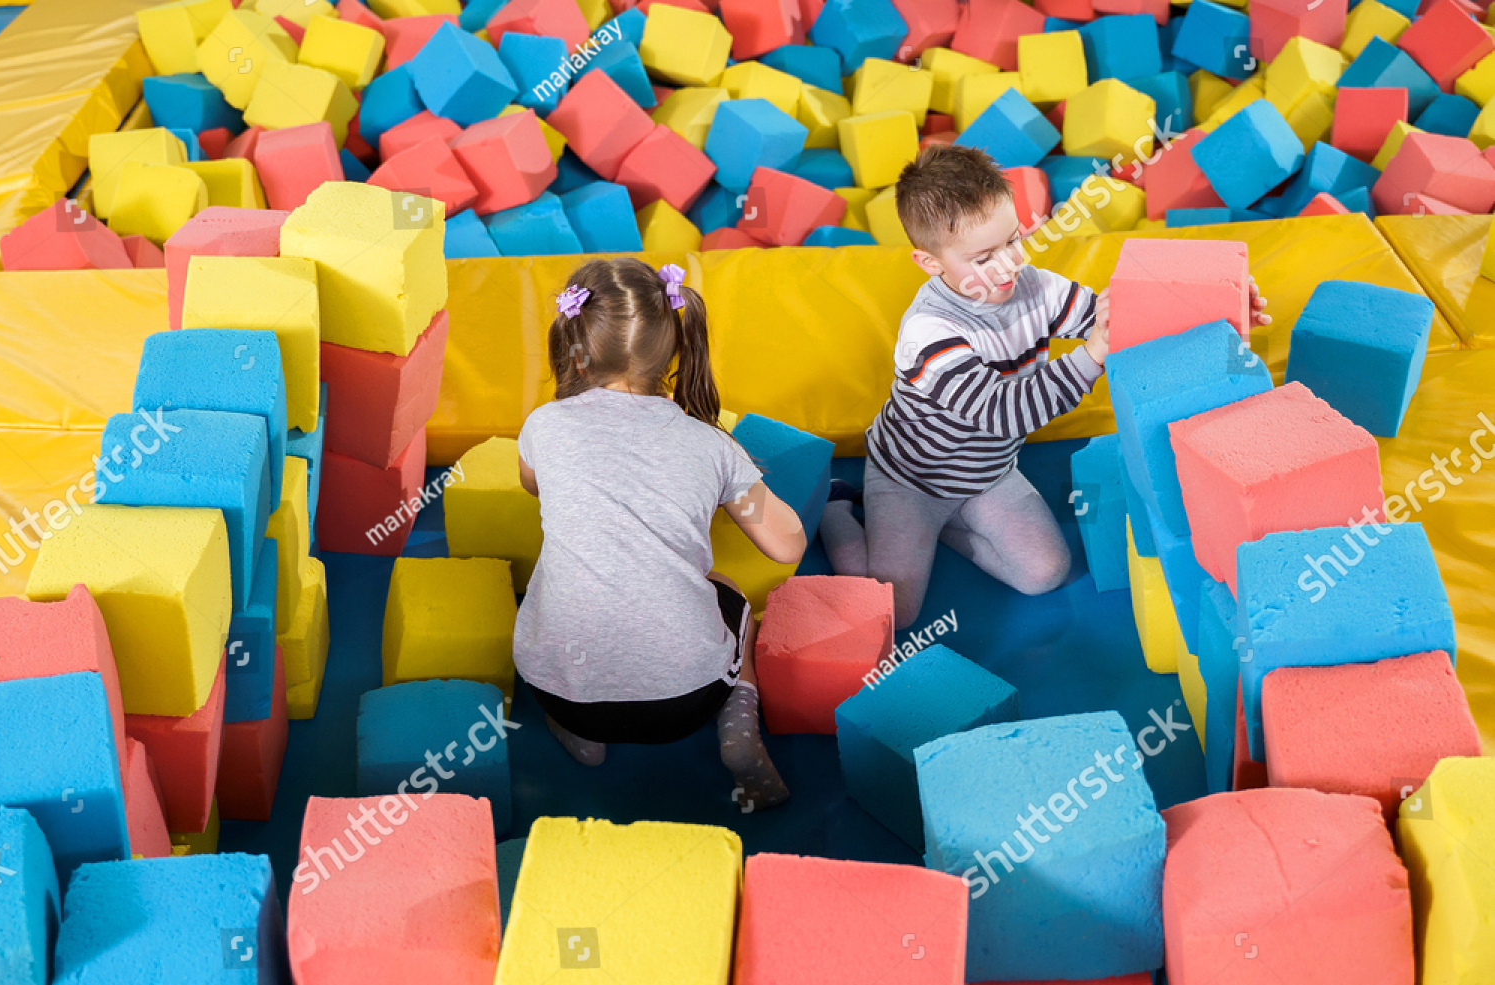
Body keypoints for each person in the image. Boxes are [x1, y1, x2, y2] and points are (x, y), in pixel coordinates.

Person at [820, 144, 1270, 628]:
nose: (1008, 265)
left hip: (987, 476)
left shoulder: (1035, 287)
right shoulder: (929, 334)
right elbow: (1005, 412)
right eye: (983, 258)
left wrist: (1218, 311)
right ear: (931, 263)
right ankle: (837, 513)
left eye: (1013, 241)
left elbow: (1119, 318)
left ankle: (942, 530)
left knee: (1045, 572)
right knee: (893, 614)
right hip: (911, 481)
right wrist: (1091, 355)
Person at [513, 257, 805, 811]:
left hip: (562, 691)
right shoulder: (711, 445)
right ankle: (739, 728)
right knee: (730, 592)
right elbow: (787, 545)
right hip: (684, 704)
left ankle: (584, 738)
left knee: (547, 597)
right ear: (675, 346)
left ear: (573, 342)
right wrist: (728, 480)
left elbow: (533, 487)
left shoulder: (543, 425)